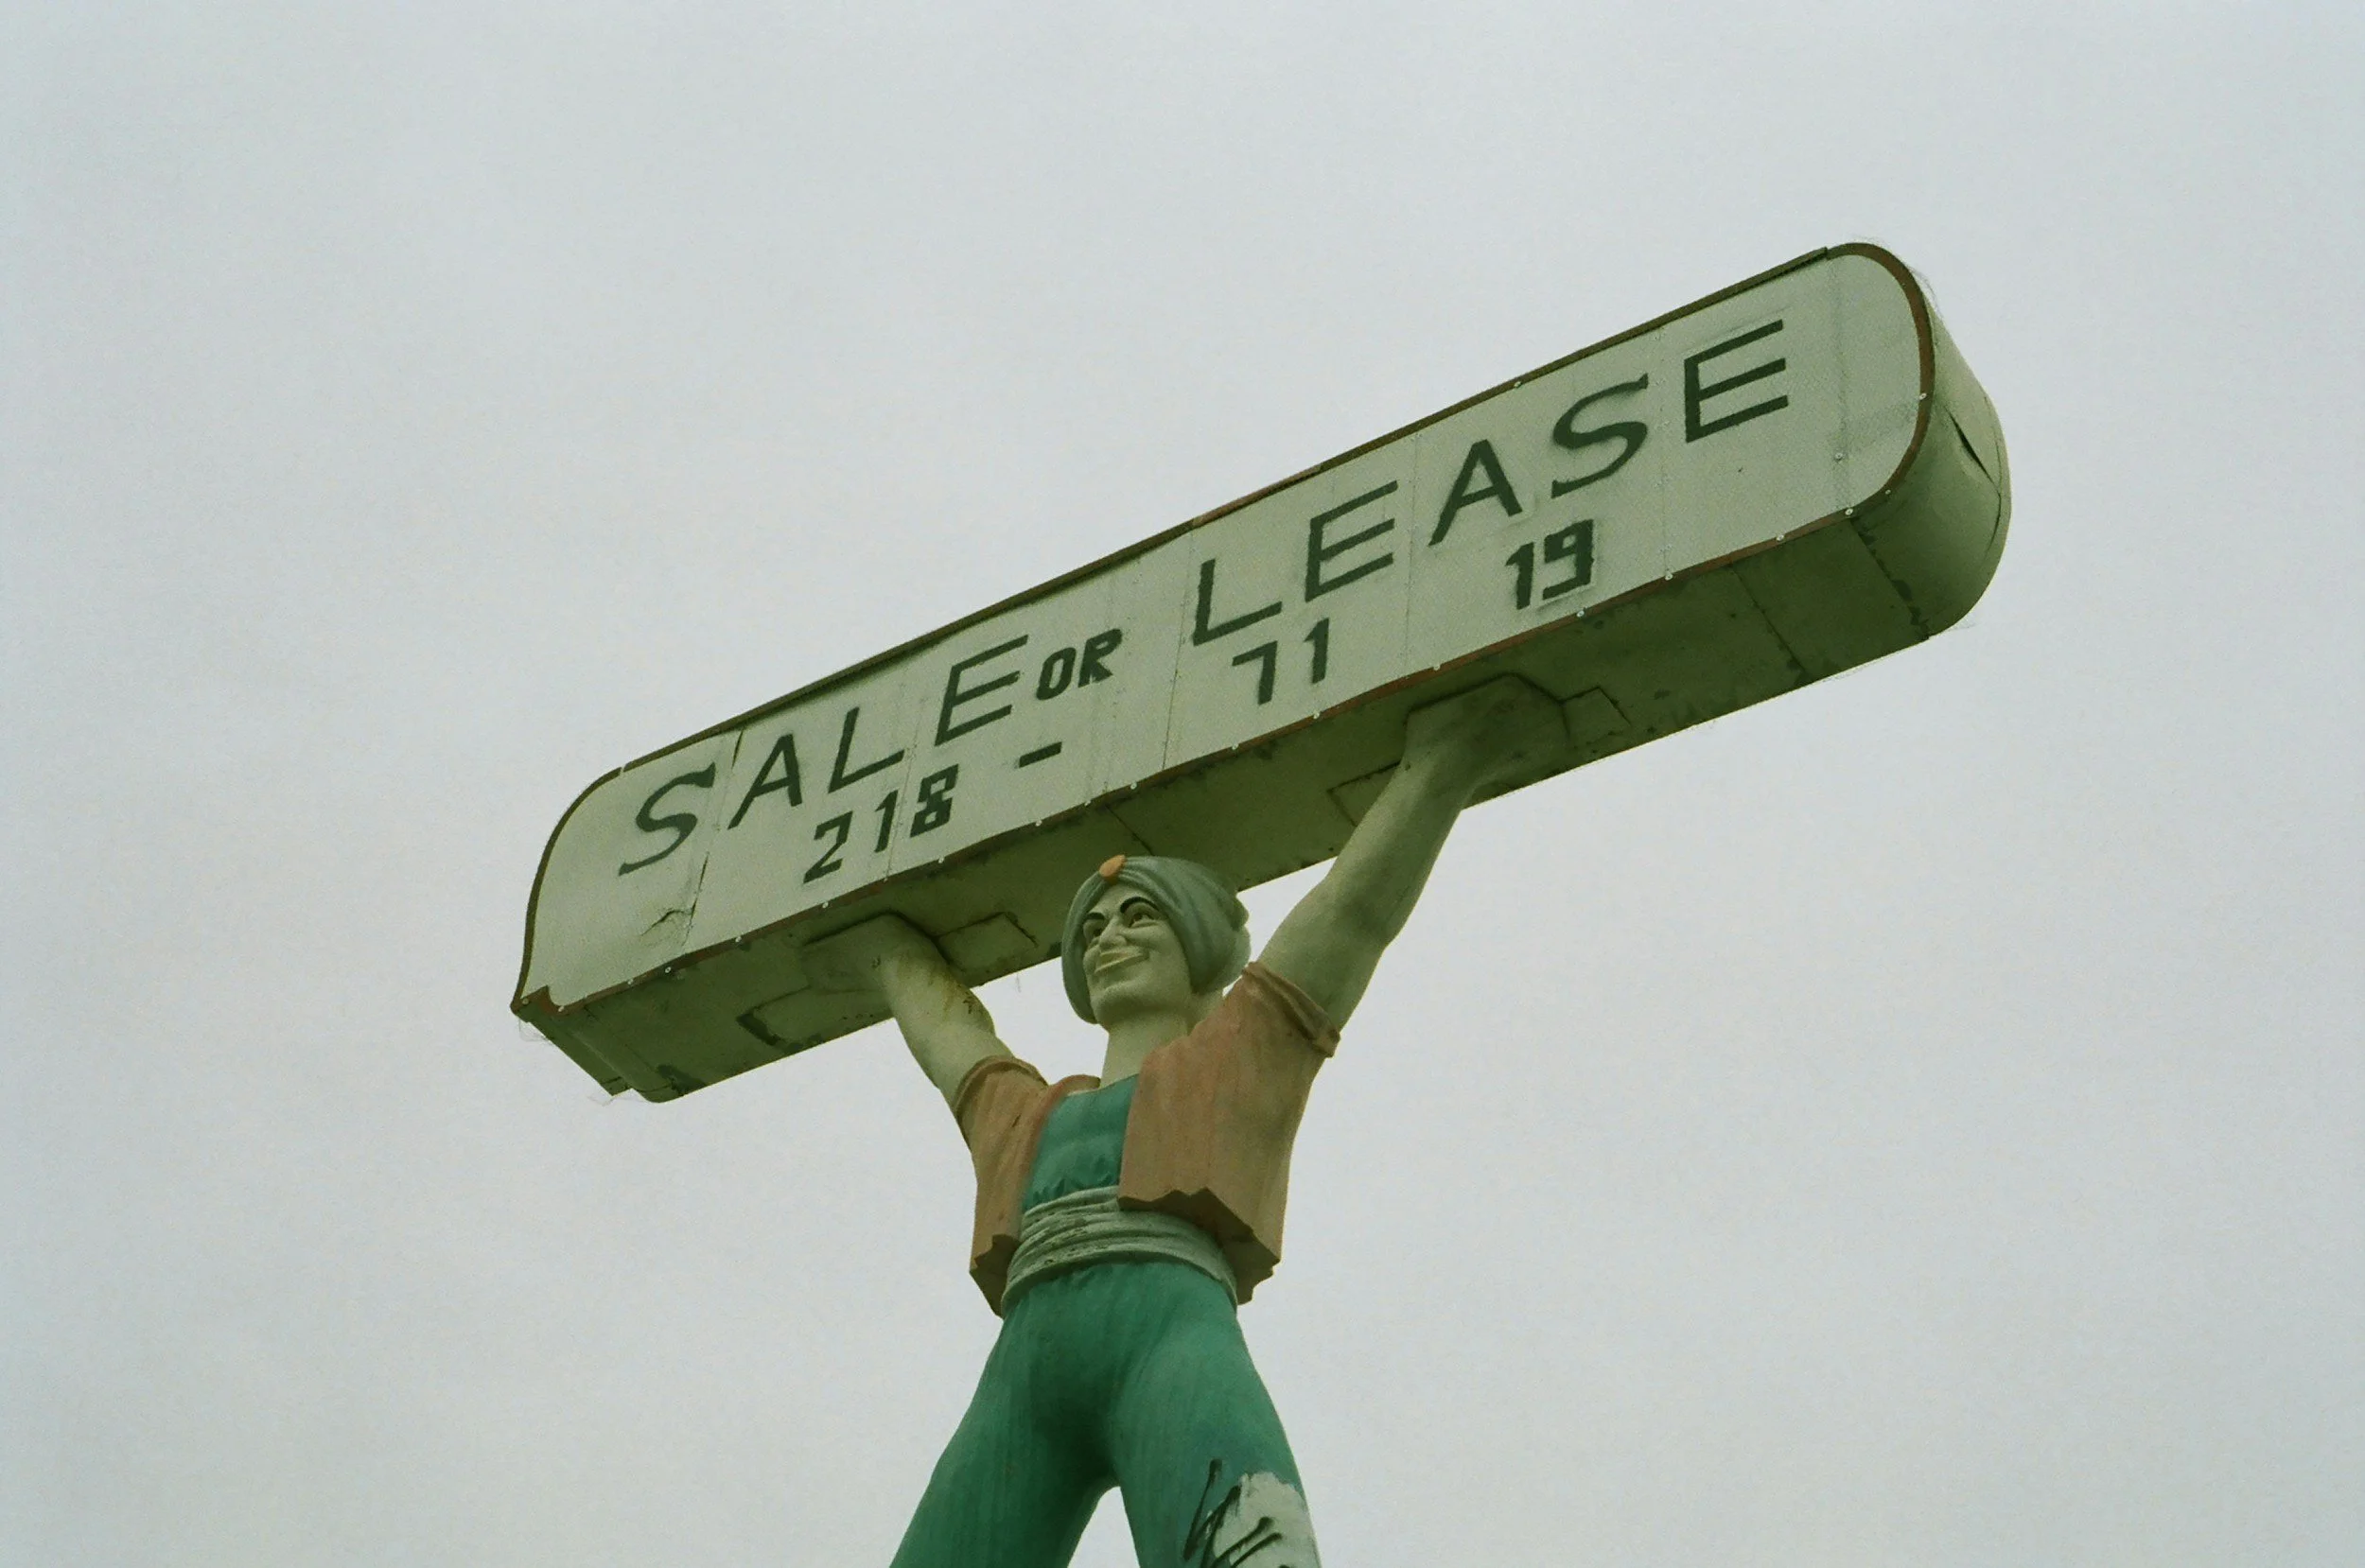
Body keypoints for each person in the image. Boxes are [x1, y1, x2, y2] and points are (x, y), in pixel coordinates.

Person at [805, 673, 1564, 1568]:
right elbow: (950, 1040)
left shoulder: (1228, 1063)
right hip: (1022, 1381)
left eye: (1139, 917)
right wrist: (883, 949)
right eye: (1091, 932)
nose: (1109, 939)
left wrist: (1440, 765)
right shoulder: (1032, 1113)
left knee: (1248, 1550)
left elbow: (1348, 918)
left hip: (1170, 1339)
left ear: (1195, 942)